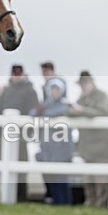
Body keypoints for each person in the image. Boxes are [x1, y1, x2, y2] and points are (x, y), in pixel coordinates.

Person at [68, 70, 108, 207]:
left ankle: (101, 205)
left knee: (101, 180)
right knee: (88, 179)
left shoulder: (102, 96)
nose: (83, 87)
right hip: (87, 147)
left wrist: (82, 111)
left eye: (85, 84)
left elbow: (102, 113)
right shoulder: (81, 98)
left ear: (92, 83)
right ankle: (90, 203)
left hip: (101, 147)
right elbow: (72, 111)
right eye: (81, 85)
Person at [0, 64, 39, 201]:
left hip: (21, 136)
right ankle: (6, 195)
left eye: (18, 73)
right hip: (5, 136)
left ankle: (22, 197)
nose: (16, 76)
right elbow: (0, 108)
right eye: (14, 73)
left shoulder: (30, 91)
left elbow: (33, 112)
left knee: (21, 169)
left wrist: (28, 134)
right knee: (4, 166)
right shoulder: (6, 90)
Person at [32, 77, 74, 205]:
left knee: (61, 178)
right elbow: (32, 113)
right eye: (53, 89)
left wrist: (44, 113)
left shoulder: (66, 104)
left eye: (57, 89)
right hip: (48, 147)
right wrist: (38, 111)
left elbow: (61, 111)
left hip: (62, 148)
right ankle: (57, 203)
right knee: (51, 178)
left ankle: (65, 203)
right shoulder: (45, 104)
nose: (55, 92)